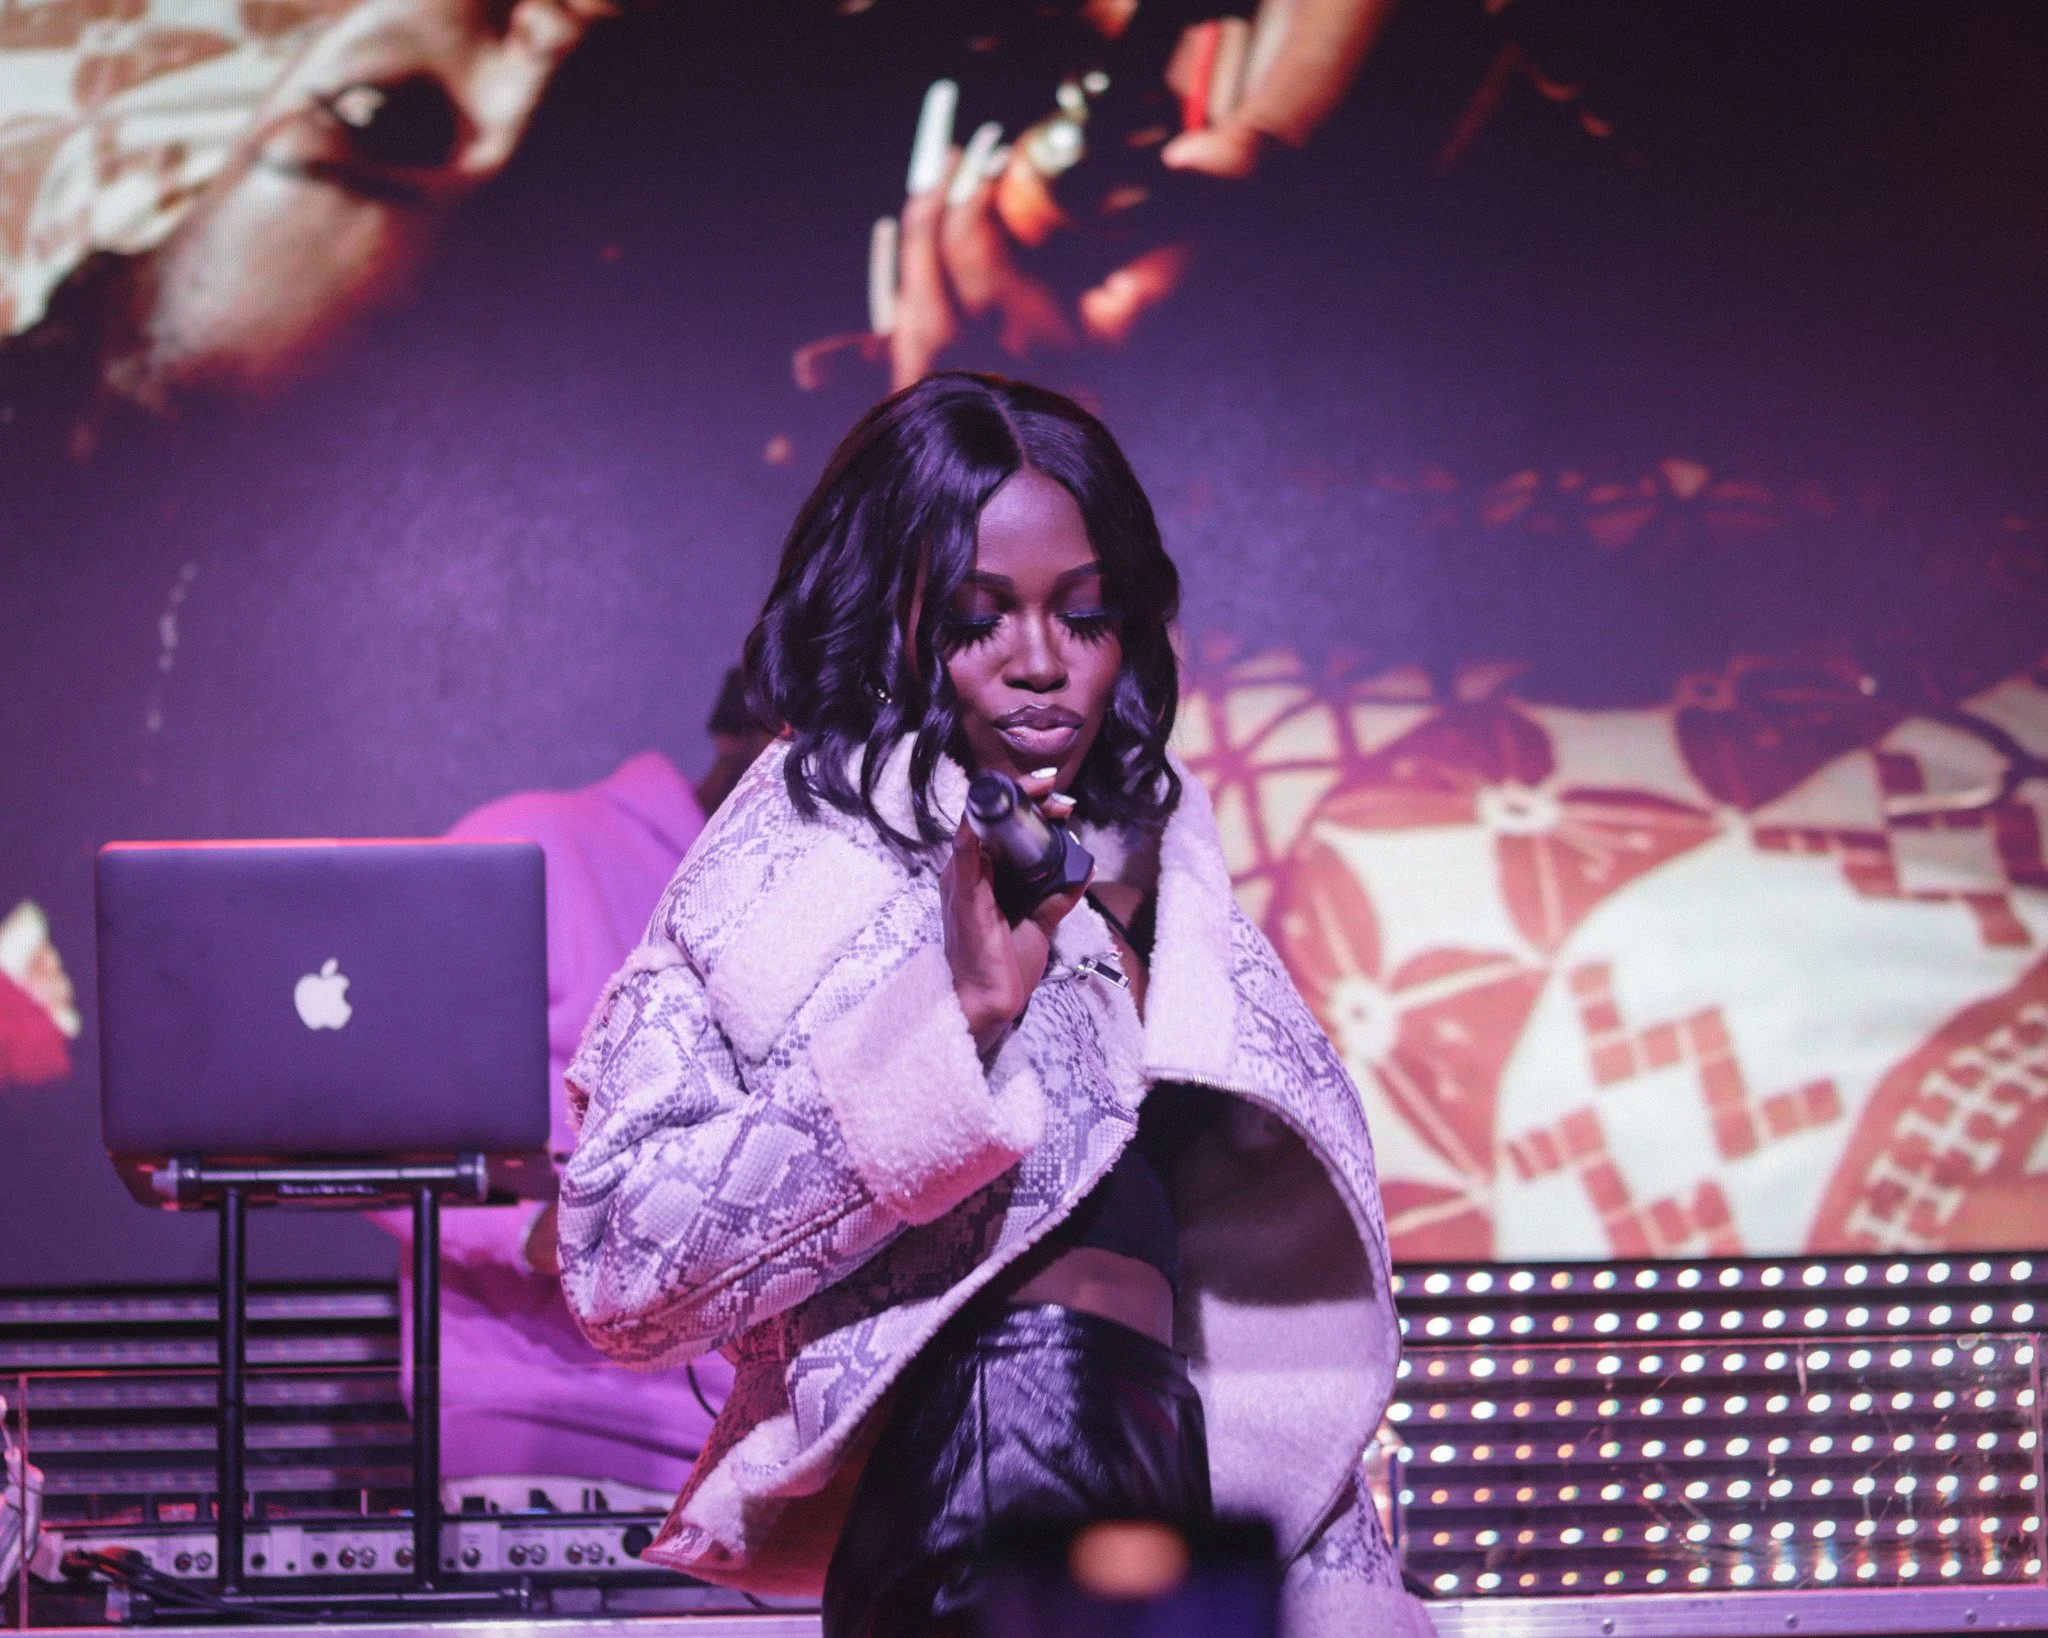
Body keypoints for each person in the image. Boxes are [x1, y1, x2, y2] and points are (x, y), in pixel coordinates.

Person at [558, 373, 1430, 1637]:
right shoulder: (808, 847)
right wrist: (953, 1020)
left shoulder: (1159, 863)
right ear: (894, 620)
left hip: (1176, 1502)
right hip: (998, 1470)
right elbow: (620, 1266)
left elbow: (1241, 1317)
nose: (1039, 663)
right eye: (979, 618)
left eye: (1084, 615)